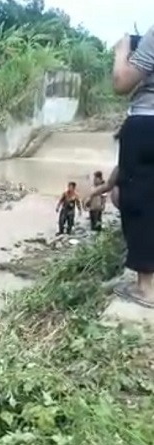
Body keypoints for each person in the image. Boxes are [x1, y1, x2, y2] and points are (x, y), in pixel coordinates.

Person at [110, 29, 154, 305]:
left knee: (140, 202)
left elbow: (122, 82)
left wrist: (122, 51)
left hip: (148, 122)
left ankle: (146, 288)